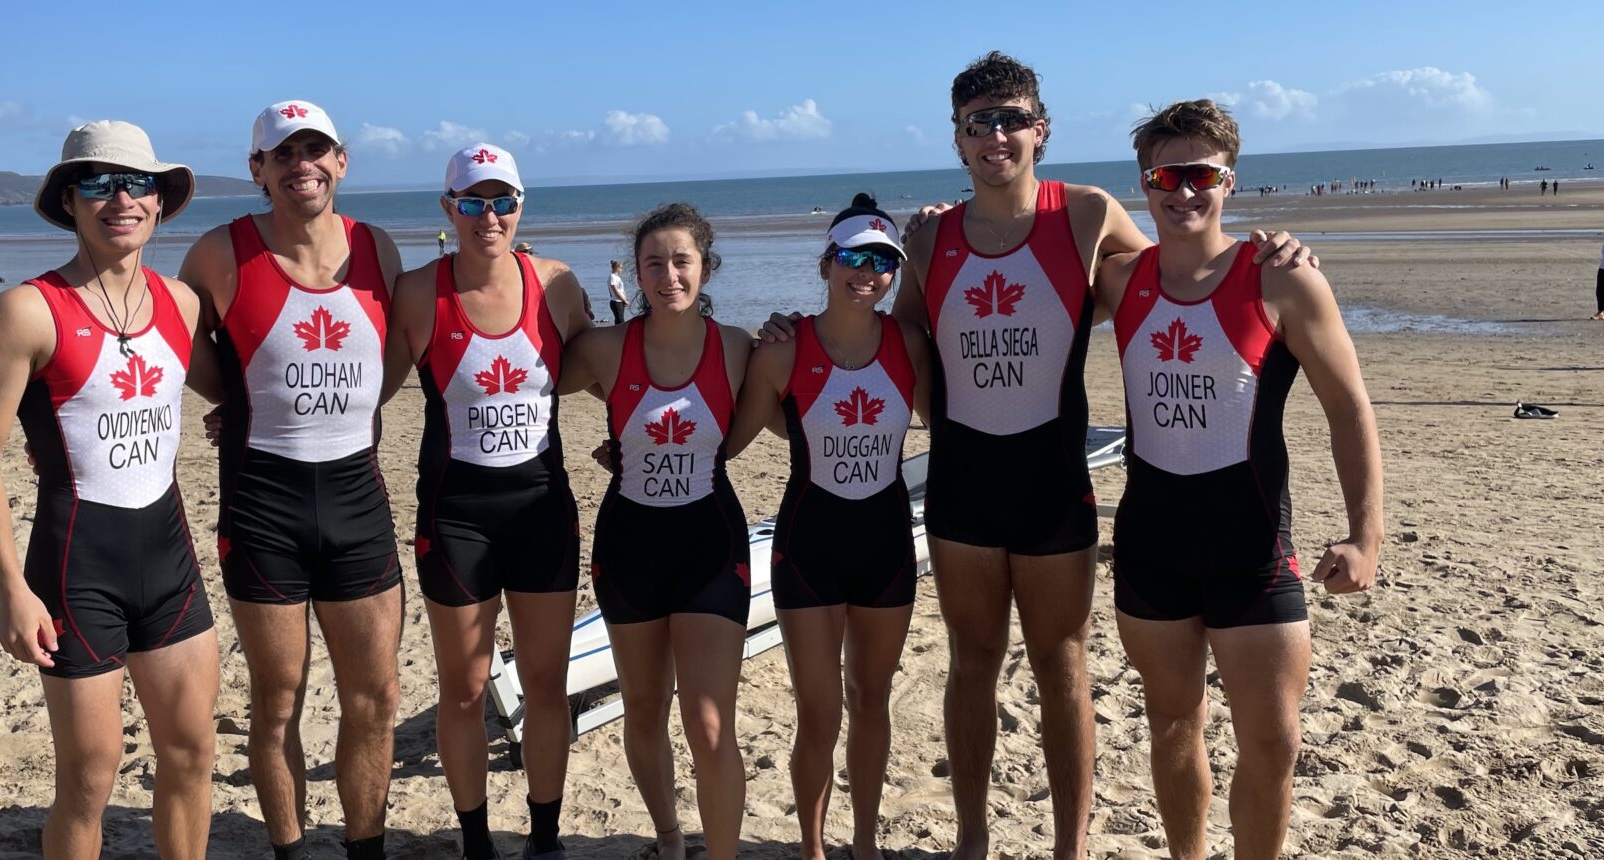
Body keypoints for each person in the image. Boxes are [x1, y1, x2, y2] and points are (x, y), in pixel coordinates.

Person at [758, 51, 1312, 858]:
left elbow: (1177, 263)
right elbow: (887, 341)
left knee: (1063, 665)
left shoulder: (1085, 215)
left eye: (1012, 118)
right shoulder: (932, 236)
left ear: (1040, 130)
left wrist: (1274, 252)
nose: (996, 135)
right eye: (978, 122)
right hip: (962, 489)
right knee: (971, 662)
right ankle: (974, 839)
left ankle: (1069, 847)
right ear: (957, 139)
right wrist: (793, 337)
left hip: (1053, 484)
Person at [1094, 98, 1381, 860]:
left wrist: (1364, 536)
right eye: (1164, 175)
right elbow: (1022, 255)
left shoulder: (1280, 279)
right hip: (1151, 543)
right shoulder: (1120, 280)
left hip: (1251, 543)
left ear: (1229, 180)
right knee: (1171, 723)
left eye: (1200, 175)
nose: (1182, 191)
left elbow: (1349, 407)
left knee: (1275, 742)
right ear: (1144, 184)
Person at [0, 120, 217, 860]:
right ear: (69, 201)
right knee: (90, 780)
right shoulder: (25, 311)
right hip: (76, 571)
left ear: (162, 201)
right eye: (97, 184)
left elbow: (213, 384)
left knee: (193, 756)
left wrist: (232, 412)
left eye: (138, 183)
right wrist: (10, 589)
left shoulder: (184, 304)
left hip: (170, 564)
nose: (120, 199)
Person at [177, 100, 407, 860]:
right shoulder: (220, 253)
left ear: (341, 162)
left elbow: (394, 356)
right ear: (258, 171)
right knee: (277, 703)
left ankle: (364, 848)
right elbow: (185, 348)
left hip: (357, 498)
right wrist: (237, 402)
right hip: (263, 502)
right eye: (282, 153)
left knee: (374, 701)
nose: (300, 164)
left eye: (316, 150)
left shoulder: (380, 249)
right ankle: (291, 851)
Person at [392, 143, 594, 860]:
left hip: (542, 509)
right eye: (472, 201)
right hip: (457, 517)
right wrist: (242, 410)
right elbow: (364, 391)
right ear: (448, 209)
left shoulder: (558, 284)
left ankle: (544, 838)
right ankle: (476, 841)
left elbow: (610, 372)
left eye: (502, 200)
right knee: (464, 692)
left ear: (521, 206)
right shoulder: (420, 293)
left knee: (546, 685)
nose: (489, 215)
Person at [726, 195, 932, 860]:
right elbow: (725, 444)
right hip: (809, 546)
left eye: (883, 261)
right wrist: (631, 443)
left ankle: (866, 843)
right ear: (826, 263)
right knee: (819, 716)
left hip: (886, 547)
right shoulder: (783, 352)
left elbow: (956, 424)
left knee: (872, 703)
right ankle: (814, 849)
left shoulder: (908, 344)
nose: (866, 272)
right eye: (853, 256)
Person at [558, 203, 754, 860]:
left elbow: (801, 397)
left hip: (710, 545)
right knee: (644, 711)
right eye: (653, 263)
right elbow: (519, 377)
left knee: (707, 720)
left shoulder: (738, 347)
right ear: (635, 275)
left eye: (681, 260)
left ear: (705, 266)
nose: (668, 274)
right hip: (629, 547)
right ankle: (669, 839)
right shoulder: (605, 349)